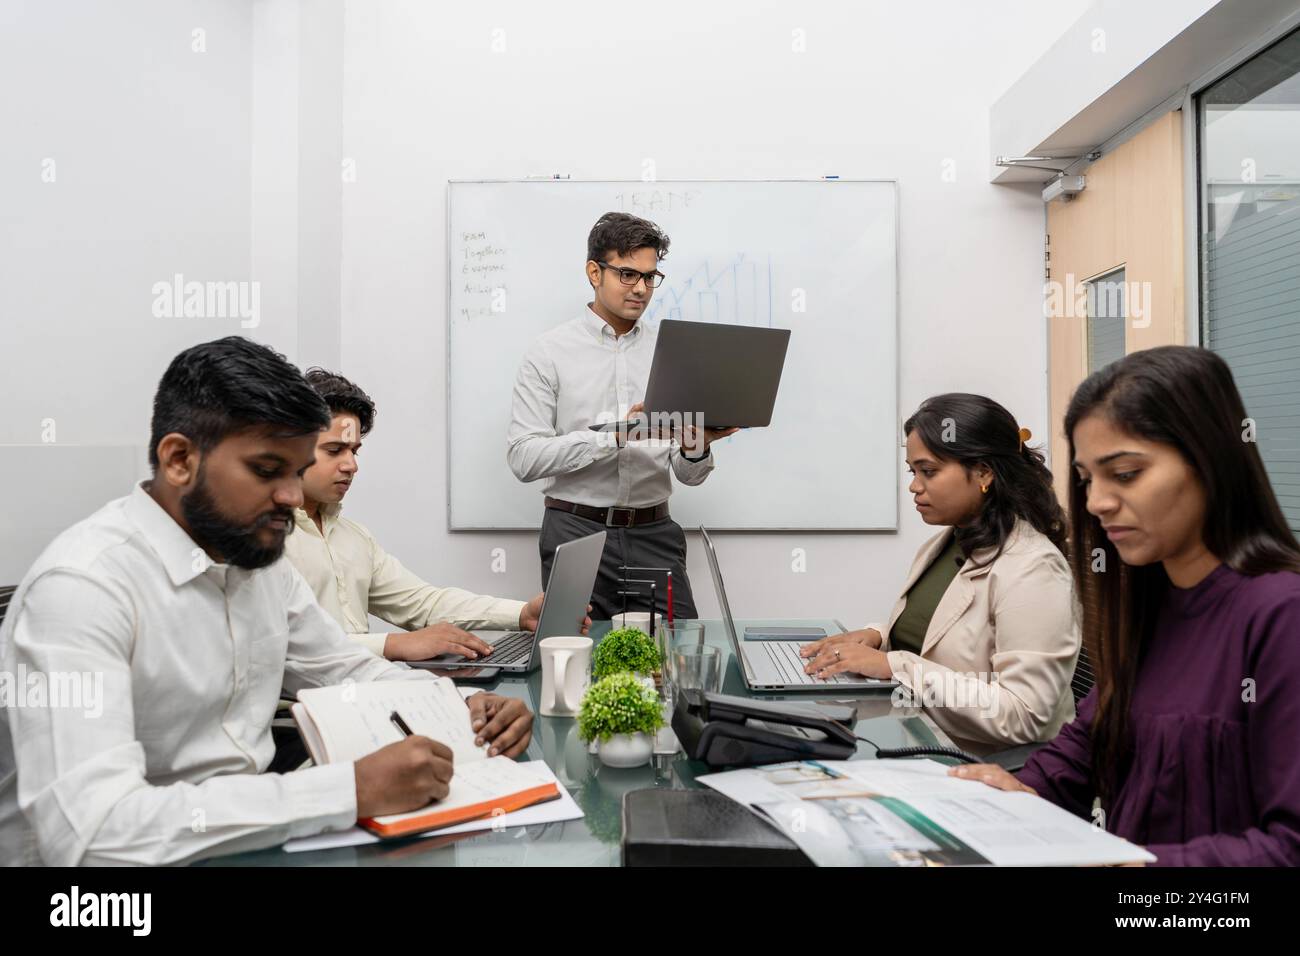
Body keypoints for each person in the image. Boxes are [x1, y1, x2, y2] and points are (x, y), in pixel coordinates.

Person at [0, 337, 532, 865]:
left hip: (241, 842)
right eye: (266, 471)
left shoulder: (258, 564)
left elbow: (346, 670)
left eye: (297, 473)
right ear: (179, 459)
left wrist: (462, 710)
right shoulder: (82, 591)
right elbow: (94, 835)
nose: (293, 498)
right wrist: (348, 791)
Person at [953, 346, 1300, 866]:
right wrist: (1014, 788)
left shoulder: (1281, 614)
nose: (1096, 502)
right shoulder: (1151, 602)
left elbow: (1289, 845)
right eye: (1089, 478)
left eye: (1127, 474)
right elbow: (1088, 744)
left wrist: (1133, 864)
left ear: (1211, 461)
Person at [800, 394, 1080, 755]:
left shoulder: (1033, 568)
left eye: (928, 471)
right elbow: (937, 638)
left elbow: (1025, 713)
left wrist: (894, 665)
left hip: (986, 766)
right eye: (912, 471)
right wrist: (876, 638)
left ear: (983, 473)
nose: (914, 486)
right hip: (921, 736)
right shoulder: (945, 544)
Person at [507, 211, 738, 620]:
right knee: (574, 658)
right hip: (576, 532)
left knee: (676, 656)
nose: (641, 289)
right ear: (594, 272)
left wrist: (696, 446)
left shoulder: (673, 352)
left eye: (650, 277)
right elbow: (524, 459)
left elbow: (689, 475)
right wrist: (615, 436)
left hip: (655, 534)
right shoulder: (548, 353)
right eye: (628, 274)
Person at [287, 368, 577, 663]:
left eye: (354, 451)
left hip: (368, 688)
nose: (351, 465)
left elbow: (424, 603)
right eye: (335, 450)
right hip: (301, 704)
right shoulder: (265, 544)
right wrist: (392, 645)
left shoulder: (354, 538)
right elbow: (283, 648)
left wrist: (521, 614)